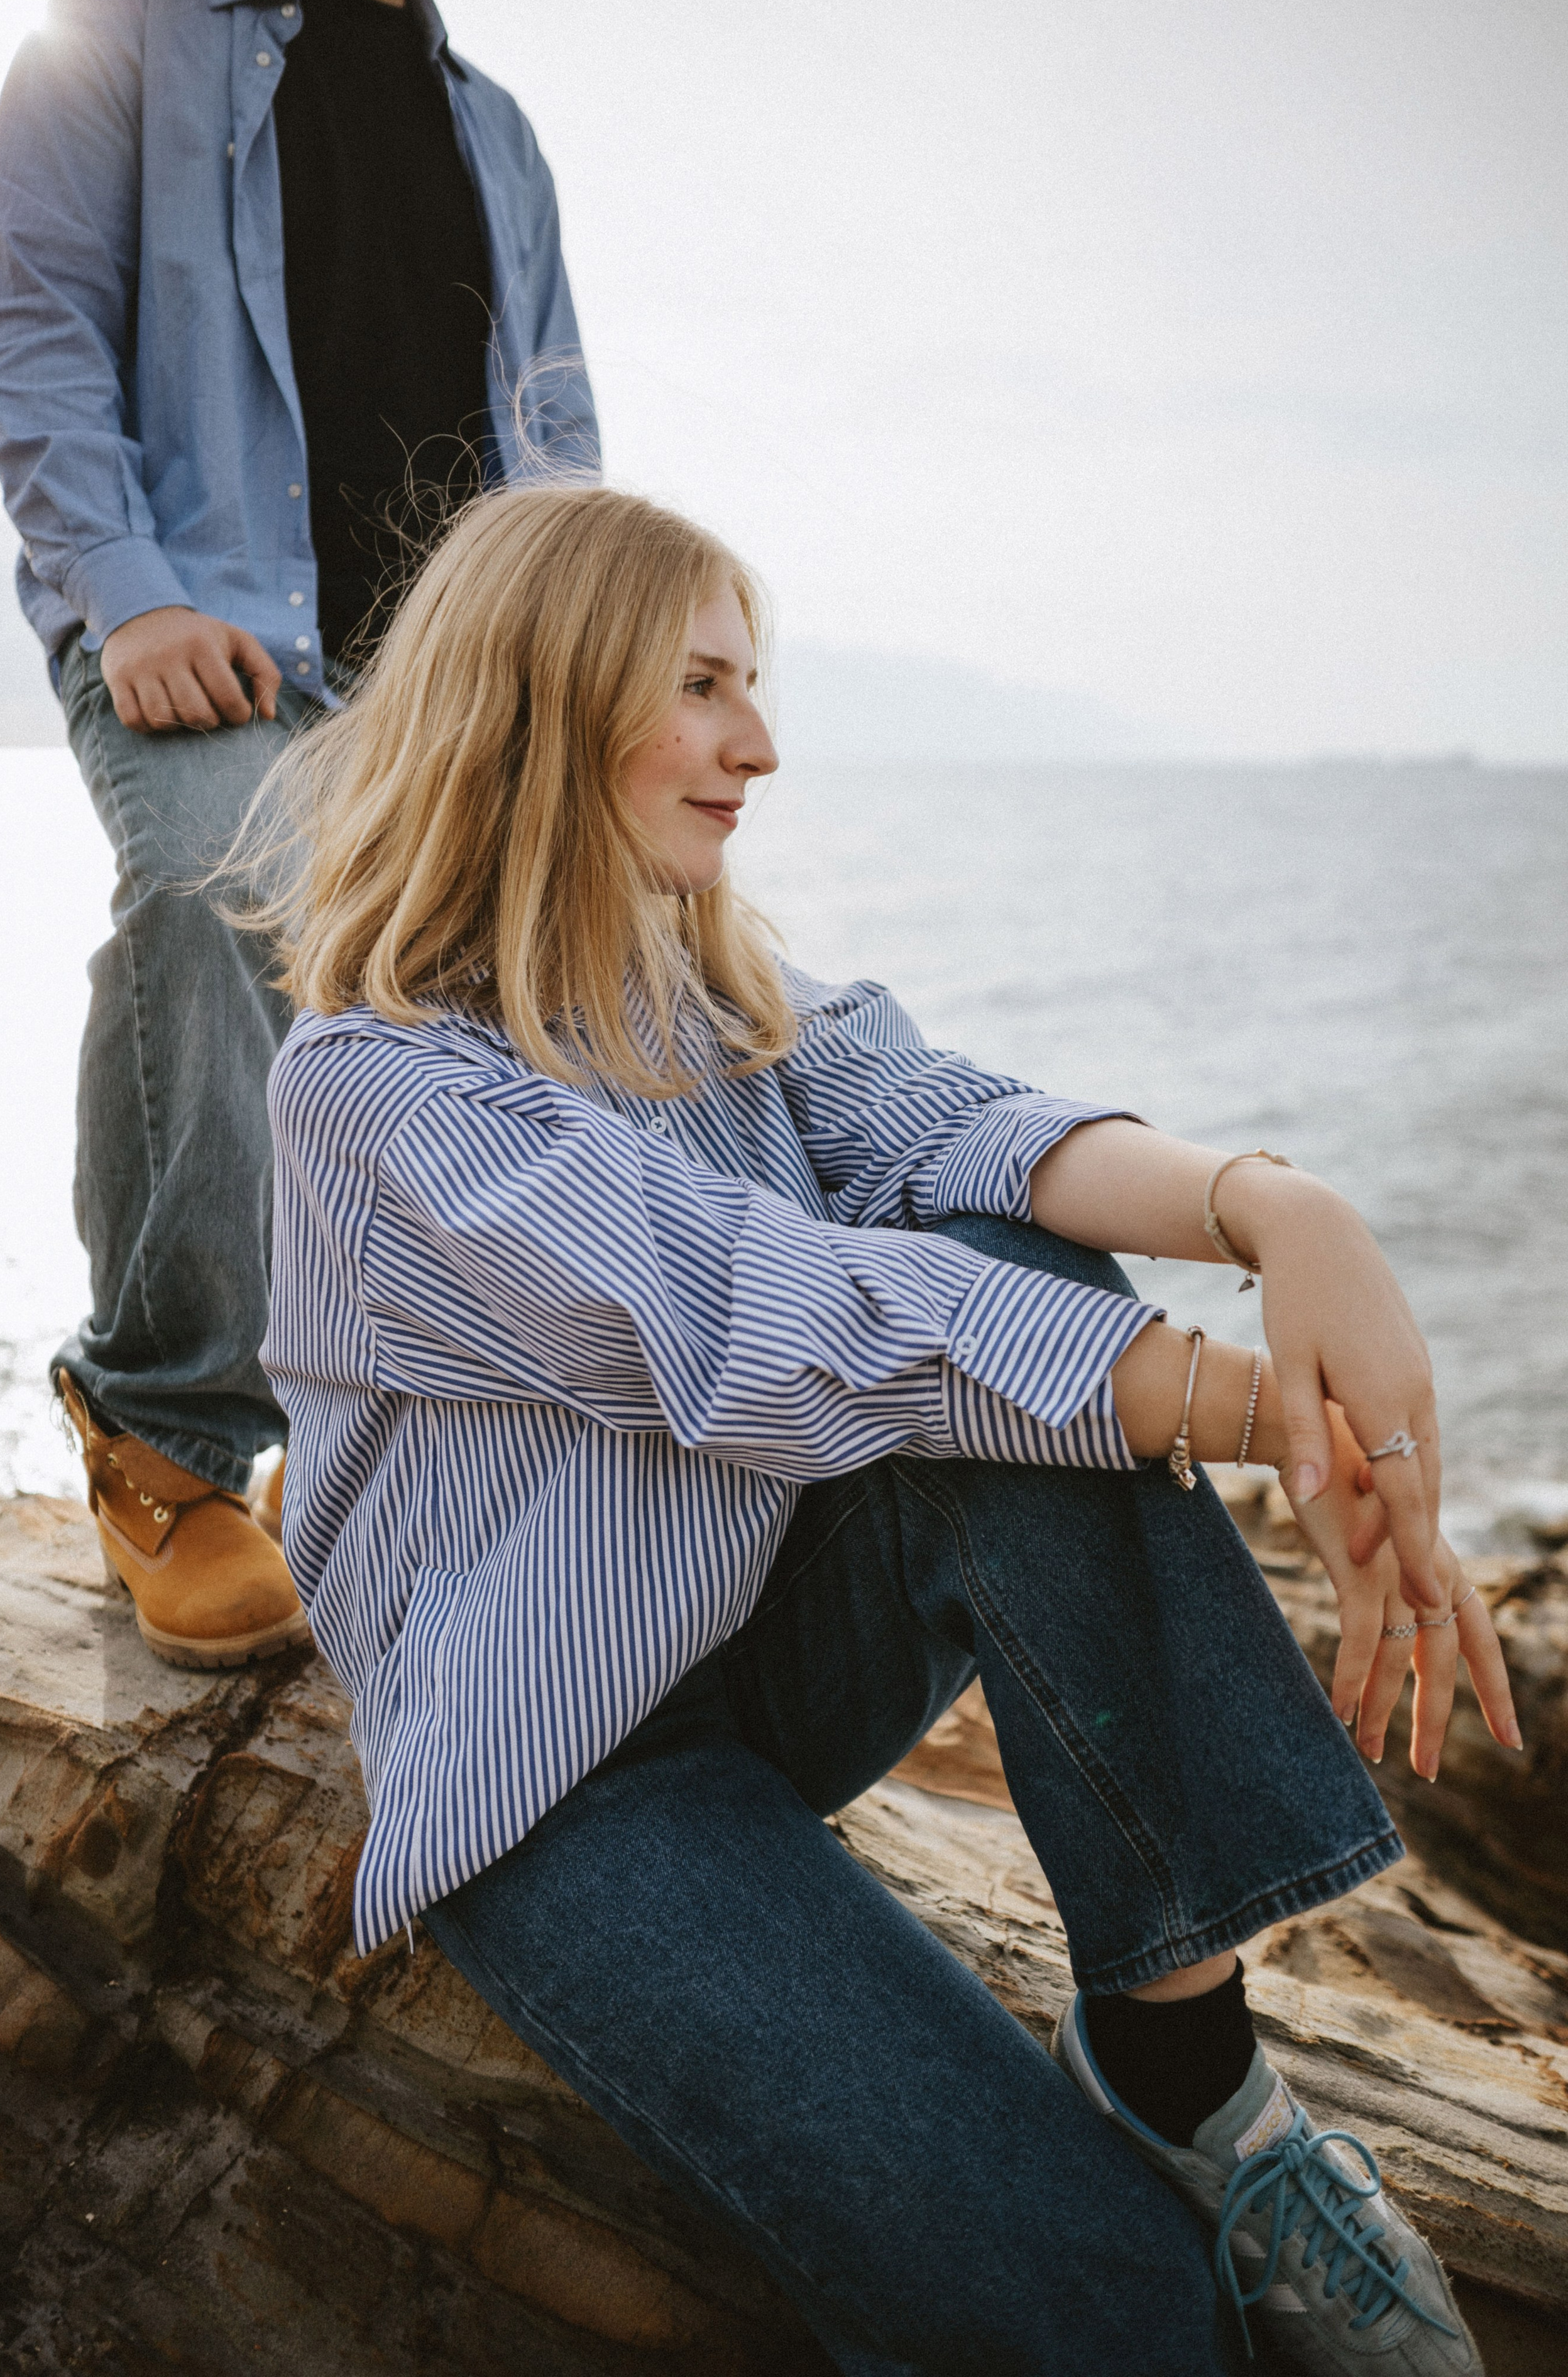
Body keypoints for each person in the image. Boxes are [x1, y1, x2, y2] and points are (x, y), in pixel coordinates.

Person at [239, 485, 1514, 2374]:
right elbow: (759, 1316)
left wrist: (1282, 1210)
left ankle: (1188, 2067)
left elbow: (966, 1133)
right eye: (702, 686)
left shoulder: (716, 1001)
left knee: (1010, 1255)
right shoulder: (376, 1089)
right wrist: (1278, 1423)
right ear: (541, 700)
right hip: (571, 1785)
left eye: (751, 686)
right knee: (1111, 2313)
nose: (759, 744)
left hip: (773, 1651)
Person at [0, 0, 595, 1667]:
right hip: (195, 625)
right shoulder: (127, 16)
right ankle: (165, 1444)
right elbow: (28, 317)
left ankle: (390, 1452)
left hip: (448, 678)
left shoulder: (491, 125)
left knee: (490, 1018)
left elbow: (551, 430)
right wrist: (127, 589)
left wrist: (577, 672)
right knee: (217, 887)